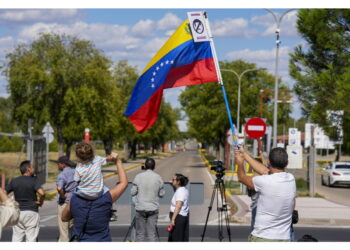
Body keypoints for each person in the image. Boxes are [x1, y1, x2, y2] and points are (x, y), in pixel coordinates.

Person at [61, 152, 128, 241]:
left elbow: (64, 217)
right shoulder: (107, 197)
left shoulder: (74, 199)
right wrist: (118, 161)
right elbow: (124, 183)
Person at [235, 147, 296, 242]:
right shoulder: (291, 179)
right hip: (284, 238)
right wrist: (244, 154)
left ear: (268, 162)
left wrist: (239, 162)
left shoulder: (263, 181)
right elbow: (264, 171)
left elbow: (241, 178)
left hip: (262, 237)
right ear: (286, 163)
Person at [5, 160, 45, 242]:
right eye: (32, 167)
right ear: (28, 169)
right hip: (31, 212)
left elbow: (3, 193)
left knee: (17, 237)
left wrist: (9, 204)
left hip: (18, 212)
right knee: (31, 238)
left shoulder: (14, 181)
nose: (34, 169)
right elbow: (42, 193)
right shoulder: (34, 181)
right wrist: (40, 202)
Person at [130, 158, 165, 242]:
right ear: (154, 166)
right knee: (151, 234)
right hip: (153, 208)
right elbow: (161, 194)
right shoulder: (158, 177)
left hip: (140, 208)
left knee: (140, 234)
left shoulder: (138, 176)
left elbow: (133, 192)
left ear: (144, 166)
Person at [56, 155, 77, 242]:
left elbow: (59, 188)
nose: (57, 166)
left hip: (64, 204)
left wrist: (62, 195)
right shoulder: (75, 172)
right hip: (74, 202)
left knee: (64, 230)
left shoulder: (62, 174)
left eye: (58, 164)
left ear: (63, 164)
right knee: (71, 227)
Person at [168, 173, 189, 242]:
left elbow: (178, 206)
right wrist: (172, 182)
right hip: (179, 216)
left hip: (178, 217)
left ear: (178, 182)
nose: (172, 180)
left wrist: (173, 219)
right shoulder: (182, 189)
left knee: (177, 238)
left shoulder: (180, 192)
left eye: (173, 179)